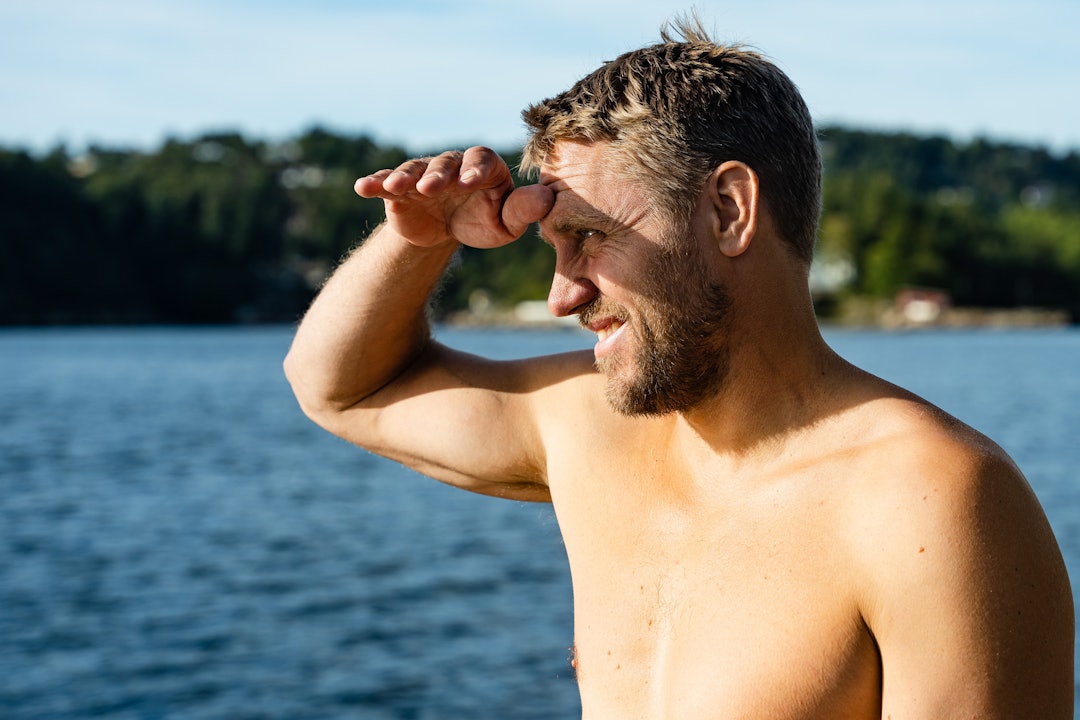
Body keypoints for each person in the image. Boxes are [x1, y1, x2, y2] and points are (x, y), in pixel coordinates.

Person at [284, 19, 1074, 719]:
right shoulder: (589, 429)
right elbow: (339, 390)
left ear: (729, 211)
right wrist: (417, 241)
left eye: (590, 237)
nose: (562, 295)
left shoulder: (929, 501)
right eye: (556, 247)